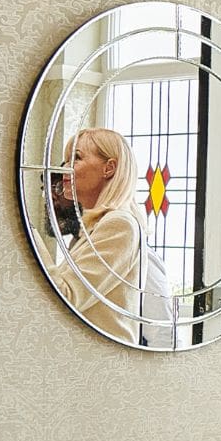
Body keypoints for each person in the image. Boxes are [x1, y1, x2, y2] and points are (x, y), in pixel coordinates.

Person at [47, 127, 144, 344]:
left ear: (109, 168)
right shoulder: (91, 228)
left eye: (76, 158)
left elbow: (66, 297)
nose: (65, 170)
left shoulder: (119, 225)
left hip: (101, 365)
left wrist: (25, 237)